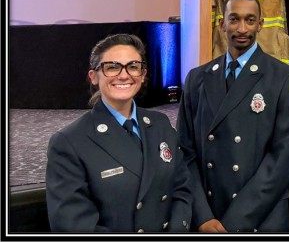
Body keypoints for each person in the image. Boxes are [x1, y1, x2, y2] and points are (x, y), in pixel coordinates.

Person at [177, 0, 289, 232]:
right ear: (222, 23)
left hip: (261, 213)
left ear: (261, 24)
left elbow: (284, 158)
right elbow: (185, 151)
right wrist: (202, 216)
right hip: (209, 213)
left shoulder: (284, 77)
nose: (242, 28)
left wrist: (236, 220)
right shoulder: (197, 78)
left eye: (250, 20)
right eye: (234, 19)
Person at [46, 34, 192, 232]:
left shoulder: (160, 124)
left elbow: (181, 188)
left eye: (133, 66)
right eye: (112, 67)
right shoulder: (69, 142)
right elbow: (73, 225)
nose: (124, 75)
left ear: (142, 74)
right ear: (94, 76)